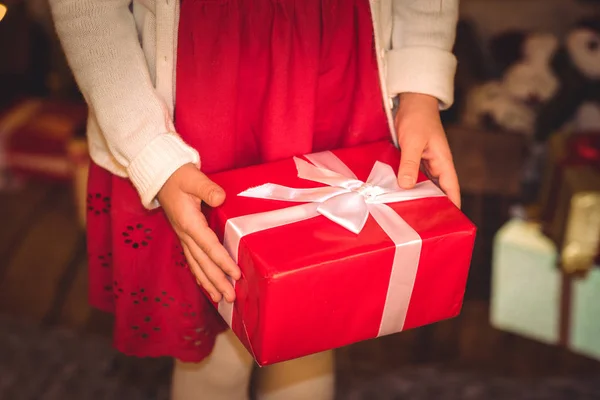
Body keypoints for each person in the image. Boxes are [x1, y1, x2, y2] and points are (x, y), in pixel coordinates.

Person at [49, 0, 461, 399]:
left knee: (313, 331)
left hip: (329, 89)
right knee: (218, 359)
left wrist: (419, 90)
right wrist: (152, 153)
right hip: (199, 115)